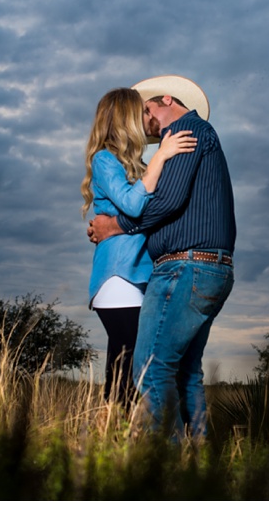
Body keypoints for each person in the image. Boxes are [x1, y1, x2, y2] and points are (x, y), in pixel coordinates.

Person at [88, 75, 236, 439]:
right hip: (184, 269)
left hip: (185, 267)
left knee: (149, 368)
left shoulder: (187, 132)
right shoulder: (167, 145)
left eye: (147, 110)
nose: (143, 121)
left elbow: (161, 204)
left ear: (166, 100)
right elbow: (153, 203)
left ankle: (166, 469)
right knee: (182, 371)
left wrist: (114, 226)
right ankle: (194, 463)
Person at [80, 87, 197, 409]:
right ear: (126, 118)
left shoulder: (136, 164)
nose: (147, 117)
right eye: (141, 112)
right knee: (126, 364)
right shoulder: (104, 158)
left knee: (134, 365)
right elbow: (133, 206)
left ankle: (120, 440)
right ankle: (112, 442)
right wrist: (161, 156)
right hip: (119, 275)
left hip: (140, 275)